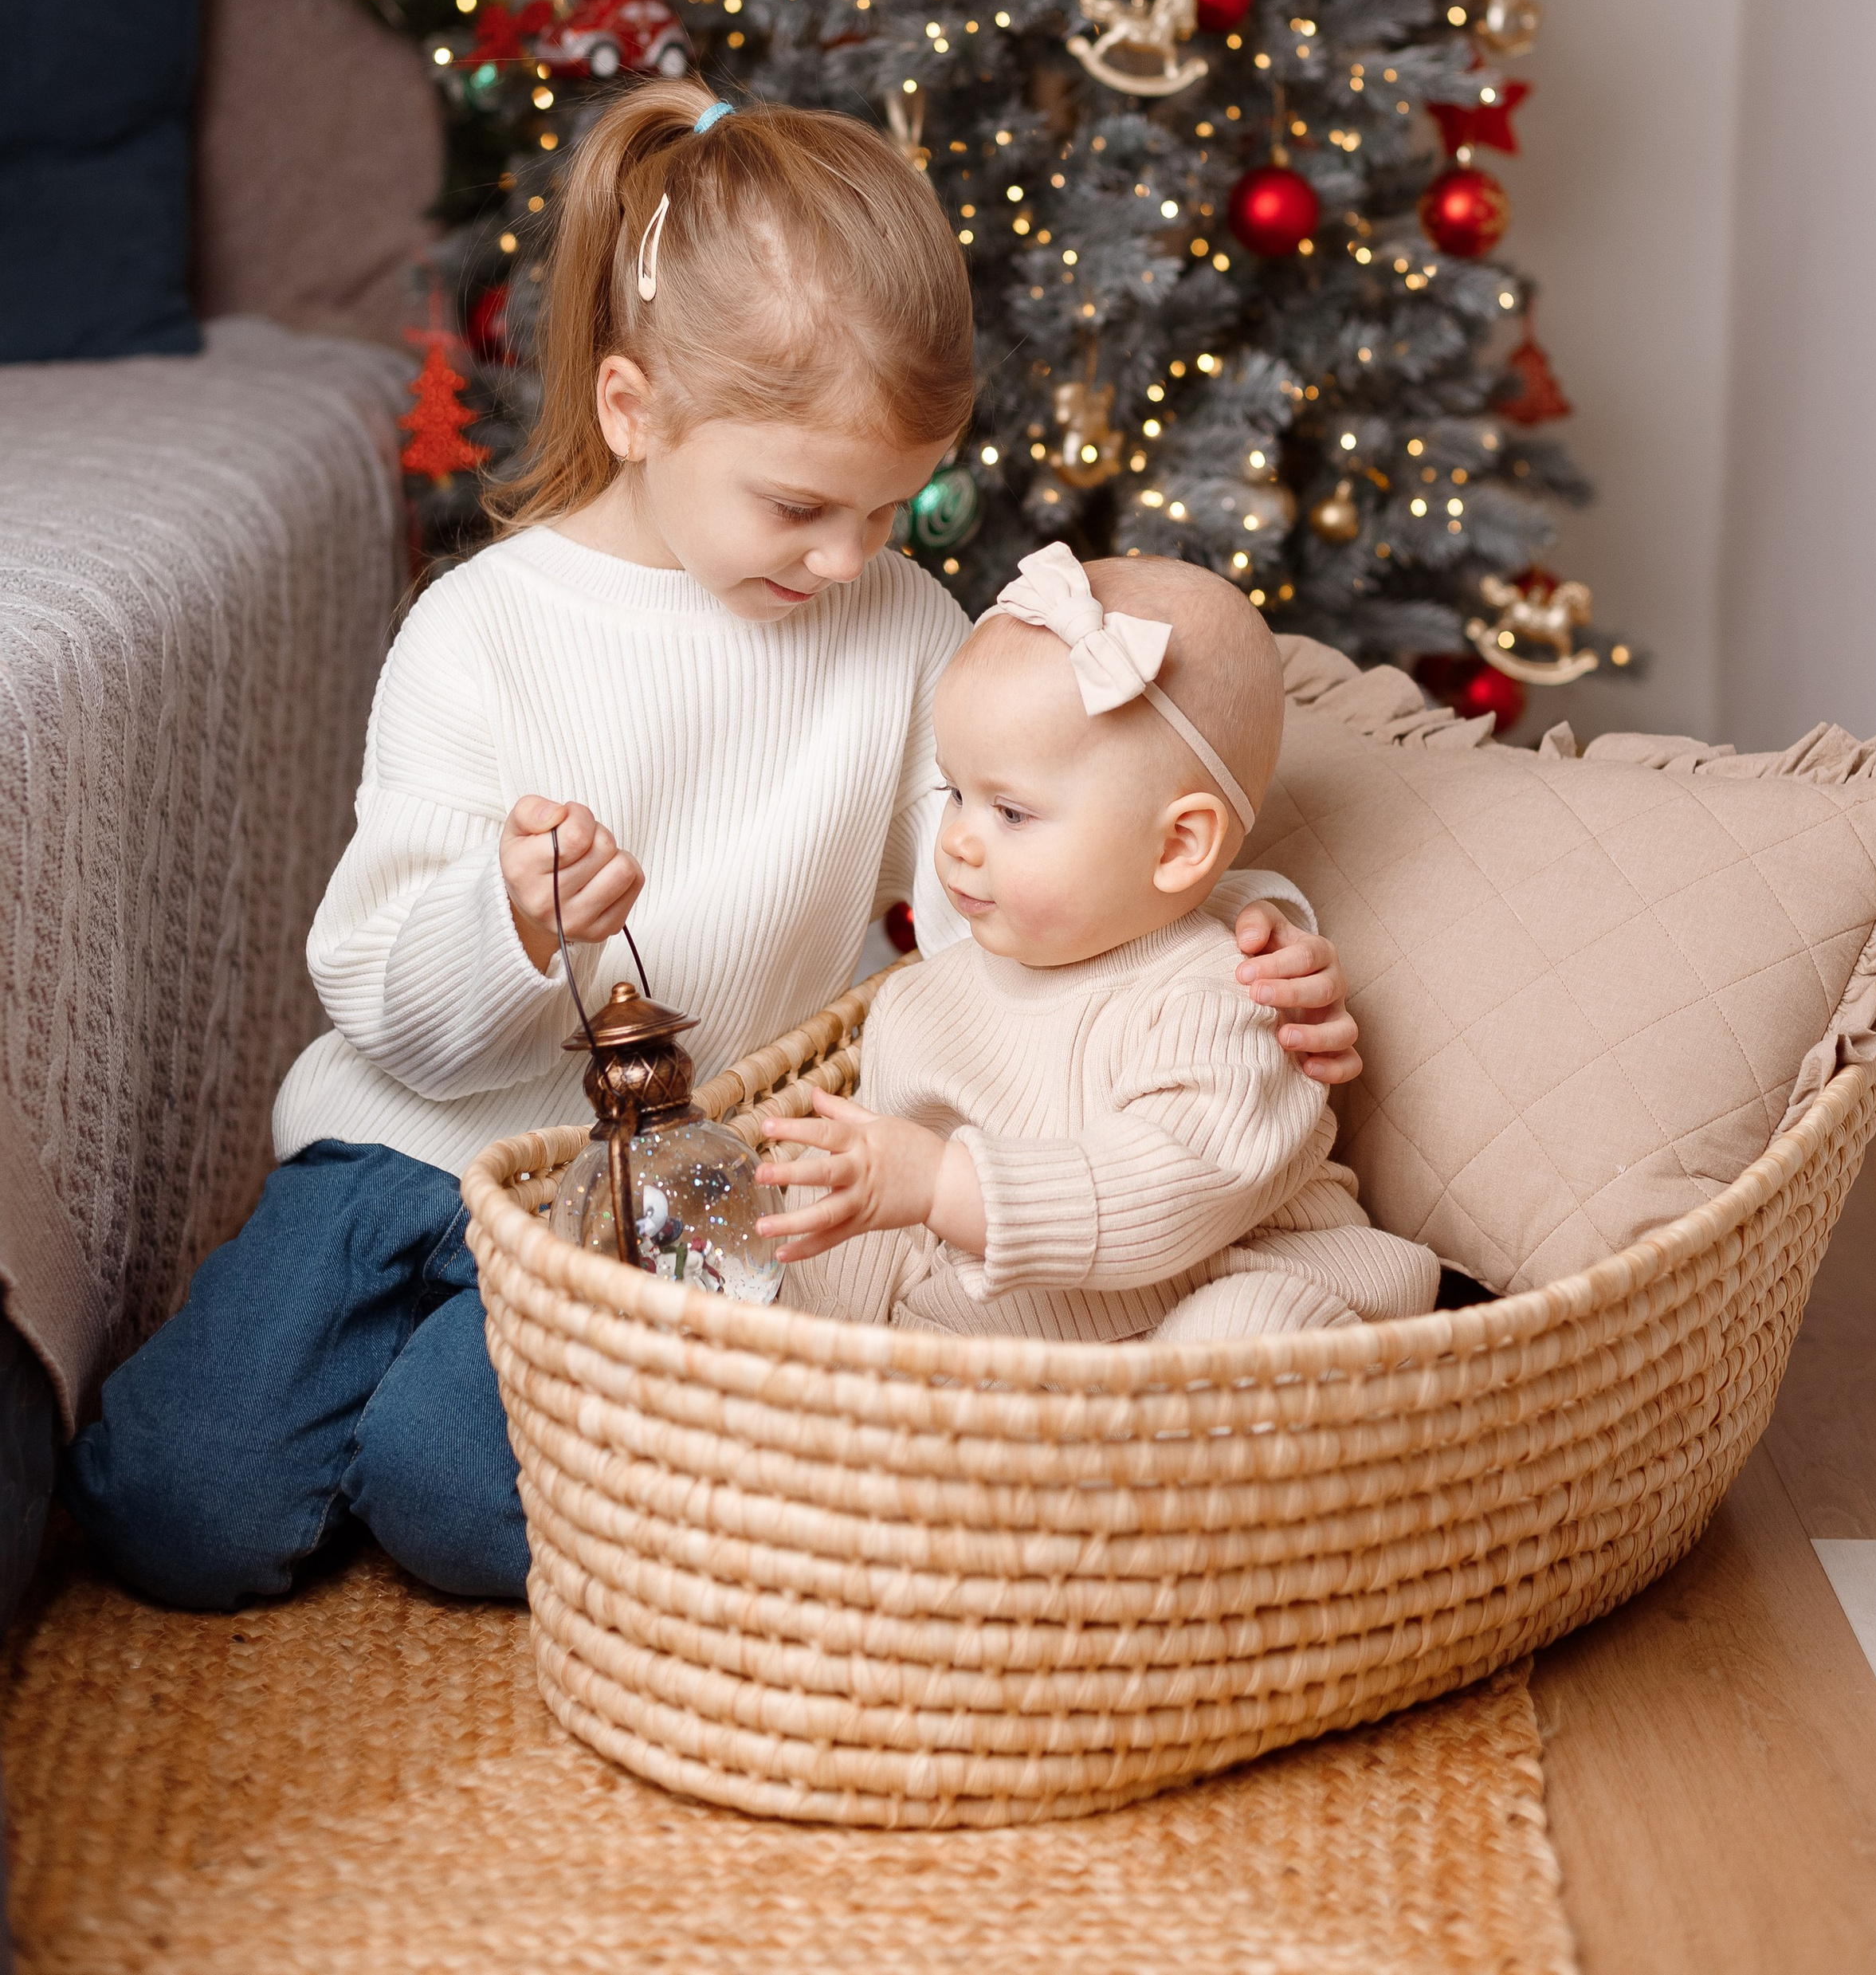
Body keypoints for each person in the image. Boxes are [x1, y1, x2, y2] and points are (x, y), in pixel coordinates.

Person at [65, 83, 1364, 1608]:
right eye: (801, 504)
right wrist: (508, 924)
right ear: (633, 410)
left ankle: (414, 1412)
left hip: (675, 1184)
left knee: (465, 1500)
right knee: (178, 1511)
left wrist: (1231, 923)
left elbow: (1016, 886)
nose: (849, 556)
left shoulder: (903, 630)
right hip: (397, 1148)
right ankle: (359, 1393)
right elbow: (377, 995)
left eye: (892, 509)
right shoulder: (477, 632)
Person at [757, 544, 1439, 1341]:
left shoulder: (1227, 998)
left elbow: (1164, 1194)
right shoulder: (918, 1003)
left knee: (1241, 1327)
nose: (958, 842)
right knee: (826, 1173)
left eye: (1011, 812)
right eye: (955, 791)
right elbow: (883, 1201)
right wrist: (835, 1301)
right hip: (1018, 1332)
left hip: (1233, 1277)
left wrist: (944, 1183)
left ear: (1178, 845)